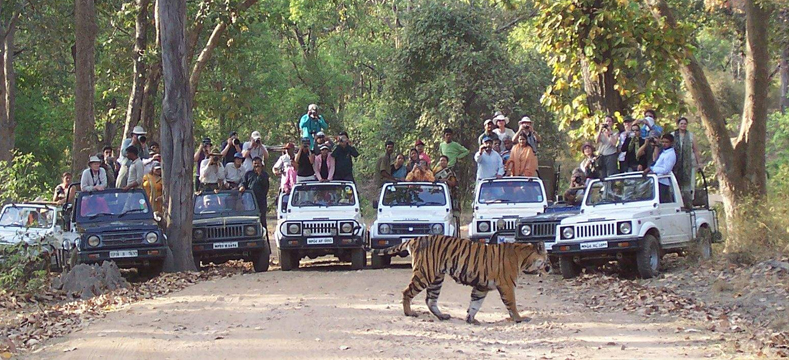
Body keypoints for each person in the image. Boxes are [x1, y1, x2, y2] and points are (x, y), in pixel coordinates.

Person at [672, 117, 702, 207]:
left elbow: (696, 150)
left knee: (690, 184)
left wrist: (699, 163)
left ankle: (689, 202)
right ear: (678, 124)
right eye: (681, 123)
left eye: (685, 124)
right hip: (676, 164)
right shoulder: (673, 135)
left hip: (689, 164)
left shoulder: (691, 136)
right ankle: (679, 202)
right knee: (677, 183)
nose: (683, 125)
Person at [643, 134, 677, 204]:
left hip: (663, 182)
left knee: (663, 202)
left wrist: (652, 169)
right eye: (663, 142)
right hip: (657, 180)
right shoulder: (664, 152)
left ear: (671, 143)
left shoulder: (670, 154)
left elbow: (666, 170)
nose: (664, 144)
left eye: (666, 142)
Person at [239, 157, 270, 227]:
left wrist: (259, 174)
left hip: (261, 200)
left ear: (261, 164)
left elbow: (266, 186)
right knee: (250, 219)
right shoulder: (248, 173)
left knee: (262, 220)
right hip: (250, 200)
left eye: (258, 163)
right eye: (255, 163)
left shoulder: (265, 174)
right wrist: (242, 186)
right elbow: (243, 183)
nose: (256, 165)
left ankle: (264, 236)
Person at [373, 141, 397, 207]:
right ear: (385, 148)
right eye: (388, 147)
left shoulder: (389, 158)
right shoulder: (384, 157)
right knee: (396, 184)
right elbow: (383, 172)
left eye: (392, 147)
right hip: (382, 180)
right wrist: (392, 179)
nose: (390, 149)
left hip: (385, 179)